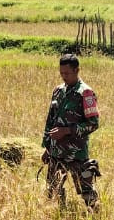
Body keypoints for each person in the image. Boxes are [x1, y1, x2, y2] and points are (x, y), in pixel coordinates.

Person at [41, 53, 100, 210]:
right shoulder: (58, 91)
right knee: (53, 192)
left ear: (77, 70)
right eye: (61, 73)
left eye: (67, 73)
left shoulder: (85, 93)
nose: (64, 77)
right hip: (56, 153)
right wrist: (47, 146)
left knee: (88, 194)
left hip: (76, 155)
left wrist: (67, 131)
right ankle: (60, 216)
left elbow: (93, 124)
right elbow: (50, 121)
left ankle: (95, 219)